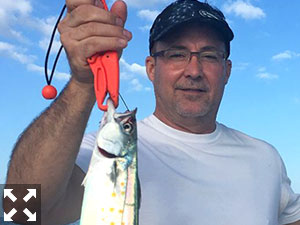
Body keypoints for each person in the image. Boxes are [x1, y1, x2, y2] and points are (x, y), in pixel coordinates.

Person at [4, 0, 300, 224]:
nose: (193, 70)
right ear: (151, 68)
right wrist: (83, 83)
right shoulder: (105, 151)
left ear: (227, 70)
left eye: (209, 56)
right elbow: (20, 210)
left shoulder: (266, 157)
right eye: (176, 54)